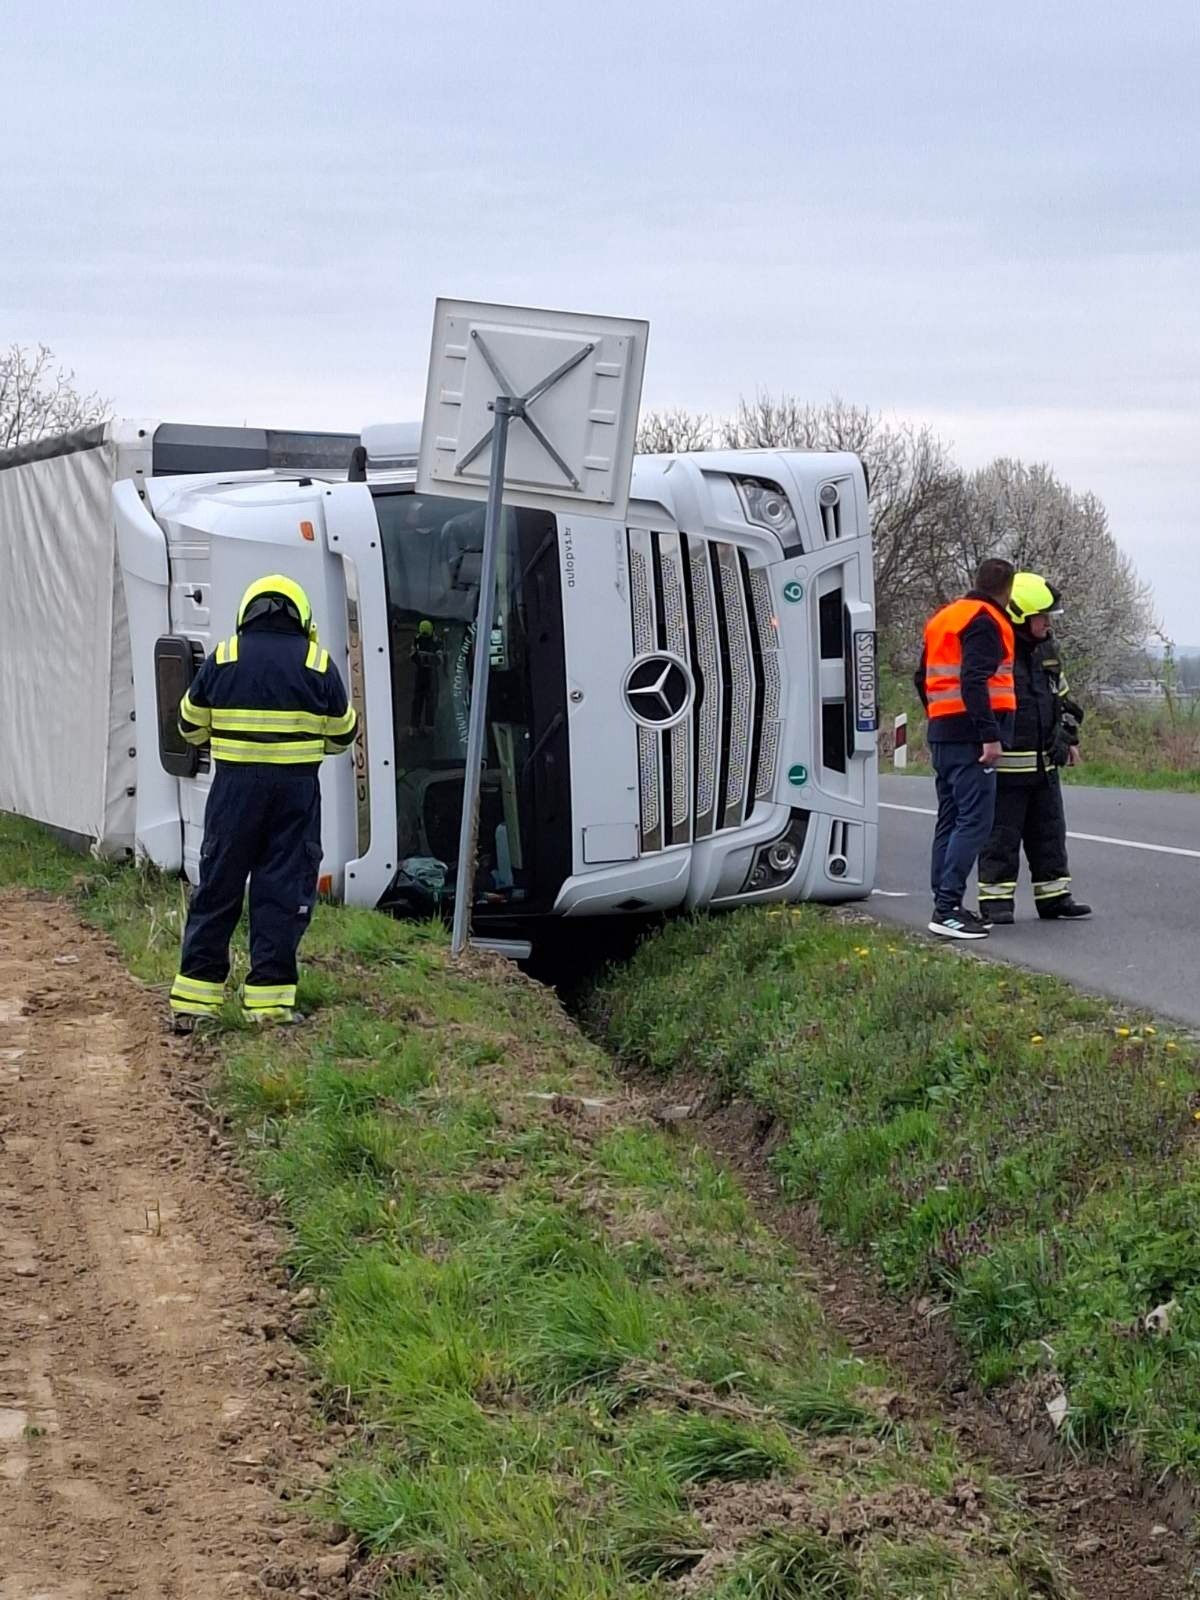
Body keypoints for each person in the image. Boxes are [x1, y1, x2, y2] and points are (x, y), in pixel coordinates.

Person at [168, 575, 357, 1029]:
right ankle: (269, 1007)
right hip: (294, 795)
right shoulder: (318, 662)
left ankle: (194, 1004)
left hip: (233, 793)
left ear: (245, 614)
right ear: (302, 618)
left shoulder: (225, 656)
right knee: (281, 892)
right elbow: (343, 735)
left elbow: (188, 726)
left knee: (217, 888)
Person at [977, 572, 1092, 924]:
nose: (1048, 622)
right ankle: (996, 902)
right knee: (1001, 837)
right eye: (1043, 616)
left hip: (1045, 763)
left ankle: (1055, 896)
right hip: (1007, 767)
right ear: (1021, 616)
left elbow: (1062, 698)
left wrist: (1068, 739)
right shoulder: (996, 649)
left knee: (1050, 833)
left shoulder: (1047, 649)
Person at [915, 558, 1016, 940]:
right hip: (972, 738)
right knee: (974, 821)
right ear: (1006, 589)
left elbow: (920, 676)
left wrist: (939, 716)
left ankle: (945, 902)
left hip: (944, 732)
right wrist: (990, 735)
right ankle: (946, 909)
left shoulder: (945, 617)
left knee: (951, 818)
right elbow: (974, 679)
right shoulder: (987, 620)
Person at [410, 618, 443, 735]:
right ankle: (414, 726)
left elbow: (440, 660)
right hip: (420, 673)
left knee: (431, 700)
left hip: (431, 674)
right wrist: (419, 658)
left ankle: (429, 726)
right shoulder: (417, 639)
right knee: (417, 700)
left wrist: (429, 659)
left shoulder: (436, 641)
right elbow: (412, 655)